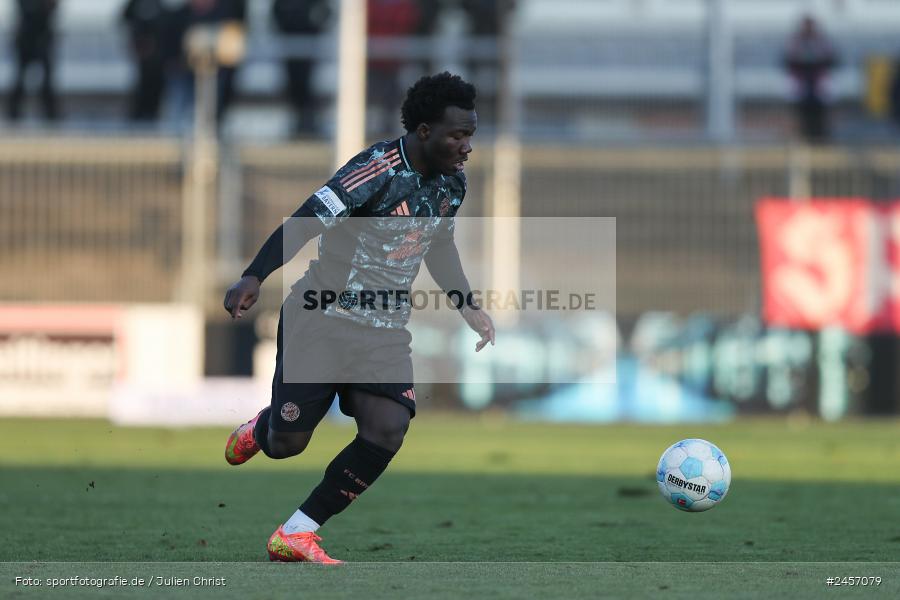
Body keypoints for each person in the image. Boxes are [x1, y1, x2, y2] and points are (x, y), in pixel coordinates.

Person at [222, 72, 495, 563]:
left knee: (388, 429)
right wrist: (253, 276)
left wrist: (467, 304)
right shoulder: (374, 170)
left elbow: (438, 242)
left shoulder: (453, 182)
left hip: (384, 330)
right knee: (289, 443)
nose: (466, 146)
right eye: (458, 135)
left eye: (470, 134)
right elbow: (306, 218)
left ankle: (297, 532)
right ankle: (264, 429)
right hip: (322, 318)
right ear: (426, 130)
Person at [271, 0, 332, 136]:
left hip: (311, 48)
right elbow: (276, 14)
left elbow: (326, 13)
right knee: (295, 86)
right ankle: (299, 123)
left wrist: (314, 23)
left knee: (310, 85)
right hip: (290, 48)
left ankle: (310, 122)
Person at [783, 15, 838, 143]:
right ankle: (803, 137)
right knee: (802, 114)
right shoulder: (795, 42)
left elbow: (832, 59)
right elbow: (788, 60)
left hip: (818, 84)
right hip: (802, 84)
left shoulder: (821, 41)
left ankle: (821, 137)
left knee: (820, 114)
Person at [6, 0, 60, 122]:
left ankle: (51, 117)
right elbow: (25, 10)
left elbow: (53, 8)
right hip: (26, 40)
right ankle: (13, 116)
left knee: (47, 83)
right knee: (19, 82)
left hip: (43, 39)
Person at [122, 0, 169, 122]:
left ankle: (152, 114)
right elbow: (124, 18)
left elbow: (165, 23)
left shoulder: (158, 4)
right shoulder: (134, 3)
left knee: (156, 86)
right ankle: (139, 115)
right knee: (141, 86)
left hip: (157, 57)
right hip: (141, 55)